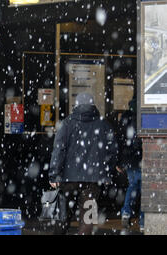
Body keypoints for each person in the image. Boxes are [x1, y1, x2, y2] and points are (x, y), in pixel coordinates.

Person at [49, 92, 119, 235]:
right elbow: (112, 152)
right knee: (87, 218)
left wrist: (54, 174)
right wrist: (107, 173)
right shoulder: (104, 125)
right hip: (93, 181)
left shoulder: (67, 124)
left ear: (76, 105)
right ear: (93, 105)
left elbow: (58, 150)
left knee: (62, 215)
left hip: (68, 178)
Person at [116, 96, 144, 231]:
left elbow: (119, 140)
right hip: (140, 159)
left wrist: (119, 161)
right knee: (145, 189)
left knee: (133, 186)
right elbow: (137, 141)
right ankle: (143, 220)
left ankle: (126, 213)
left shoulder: (124, 118)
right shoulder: (141, 117)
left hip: (128, 160)